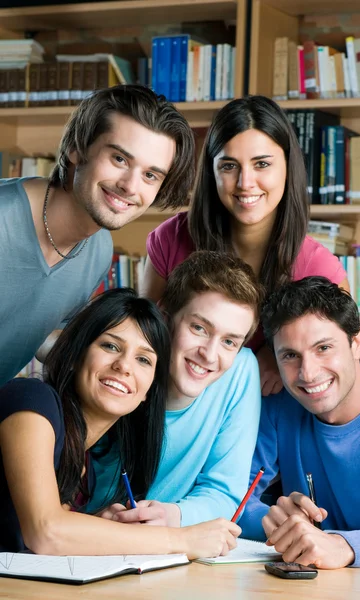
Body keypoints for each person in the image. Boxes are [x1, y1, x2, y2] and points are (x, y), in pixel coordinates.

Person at [0, 287, 240, 557]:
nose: (124, 366)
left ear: (148, 390)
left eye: (143, 359)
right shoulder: (31, 401)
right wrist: (181, 540)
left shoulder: (88, 465)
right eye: (111, 346)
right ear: (76, 355)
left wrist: (99, 529)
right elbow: (45, 532)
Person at [142, 95, 349, 396]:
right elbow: (145, 342)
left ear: (288, 166)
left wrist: (277, 354)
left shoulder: (318, 267)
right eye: (229, 166)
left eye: (262, 164)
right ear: (211, 171)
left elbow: (340, 361)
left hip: (273, 414)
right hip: (178, 404)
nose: (245, 183)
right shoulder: (170, 239)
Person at [0, 83, 195, 385]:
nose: (131, 186)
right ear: (76, 148)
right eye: (119, 159)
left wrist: (101, 357)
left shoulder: (98, 249)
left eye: (150, 175)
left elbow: (38, 334)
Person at [86, 251, 263, 526]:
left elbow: (224, 490)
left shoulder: (240, 370)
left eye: (230, 342)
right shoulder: (119, 373)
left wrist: (173, 516)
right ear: (165, 318)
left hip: (167, 544)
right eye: (199, 328)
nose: (209, 354)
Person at [239, 276, 360, 568]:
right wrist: (274, 521)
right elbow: (234, 499)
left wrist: (345, 545)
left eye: (323, 348)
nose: (308, 373)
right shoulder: (277, 411)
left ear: (356, 343)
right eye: (290, 355)